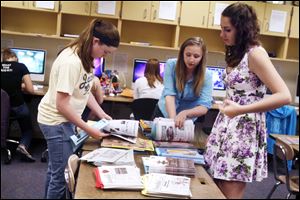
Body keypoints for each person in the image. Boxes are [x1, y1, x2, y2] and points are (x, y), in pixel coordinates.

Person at [204, 3, 292, 199]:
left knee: (230, 187)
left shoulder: (256, 54)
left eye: (227, 29)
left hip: (243, 131)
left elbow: (285, 95)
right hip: (227, 125)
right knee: (217, 184)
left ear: (242, 28)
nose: (222, 34)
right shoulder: (238, 52)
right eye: (221, 29)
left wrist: (241, 109)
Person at [37, 19, 120, 199]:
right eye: (105, 52)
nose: (104, 56)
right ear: (95, 41)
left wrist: (101, 113)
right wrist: (89, 129)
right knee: (60, 178)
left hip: (63, 119)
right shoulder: (71, 61)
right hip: (56, 121)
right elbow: (62, 104)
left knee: (54, 171)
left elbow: (83, 90)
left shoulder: (86, 58)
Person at [152, 37, 213, 128]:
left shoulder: (207, 75)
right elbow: (169, 94)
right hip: (165, 112)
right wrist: (173, 121)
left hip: (186, 119)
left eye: (196, 56)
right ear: (182, 54)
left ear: (202, 57)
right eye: (188, 55)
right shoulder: (171, 65)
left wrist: (185, 113)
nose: (191, 60)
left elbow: (204, 106)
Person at [1, 48, 36, 162]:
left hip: (2, 109)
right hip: (17, 107)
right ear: (15, 58)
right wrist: (22, 86)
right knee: (28, 129)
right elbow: (31, 90)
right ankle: (23, 146)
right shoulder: (21, 66)